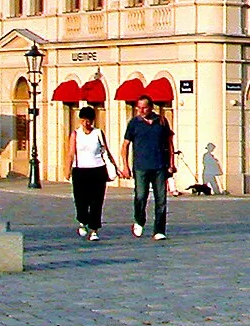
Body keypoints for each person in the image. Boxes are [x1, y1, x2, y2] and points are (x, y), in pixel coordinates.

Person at [122, 96, 176, 240]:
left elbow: (169, 143)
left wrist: (171, 163)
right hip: (141, 166)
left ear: (151, 107)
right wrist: (125, 166)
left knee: (161, 199)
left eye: (144, 107)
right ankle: (139, 220)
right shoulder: (134, 123)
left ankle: (159, 230)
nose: (141, 110)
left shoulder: (162, 122)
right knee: (140, 196)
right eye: (139, 107)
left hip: (159, 166)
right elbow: (125, 145)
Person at [66, 106, 118, 241]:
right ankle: (82, 221)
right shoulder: (75, 134)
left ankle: (94, 229)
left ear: (93, 120)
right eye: (83, 120)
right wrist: (67, 169)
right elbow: (71, 152)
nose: (86, 124)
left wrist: (115, 167)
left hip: (97, 169)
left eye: (88, 120)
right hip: (80, 170)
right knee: (81, 199)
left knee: (96, 201)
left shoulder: (98, 133)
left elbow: (106, 151)